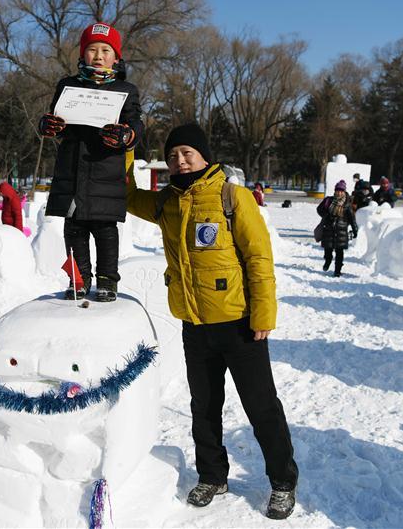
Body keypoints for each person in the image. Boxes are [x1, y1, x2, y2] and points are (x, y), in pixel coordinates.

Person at [125, 124, 298, 519]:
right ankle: (213, 475)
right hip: (195, 325)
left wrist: (264, 315)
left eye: (186, 153)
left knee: (261, 406)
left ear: (204, 156)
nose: (179, 161)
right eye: (172, 156)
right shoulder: (167, 202)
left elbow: (258, 259)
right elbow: (129, 196)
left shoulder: (231, 197)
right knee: (204, 406)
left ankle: (283, 481)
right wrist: (124, 148)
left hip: (239, 325)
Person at [38, 22, 144, 303]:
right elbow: (56, 118)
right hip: (72, 173)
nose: (98, 56)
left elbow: (136, 124)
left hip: (105, 175)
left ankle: (108, 281)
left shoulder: (126, 90)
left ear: (116, 57)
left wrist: (126, 135)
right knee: (73, 230)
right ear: (82, 54)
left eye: (105, 50)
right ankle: (78, 279)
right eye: (92, 49)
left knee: (106, 231)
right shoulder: (67, 86)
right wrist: (48, 125)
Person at [316, 180, 358, 277]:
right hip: (328, 229)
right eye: (337, 190)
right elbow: (319, 209)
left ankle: (337, 271)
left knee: (339, 253)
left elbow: (352, 219)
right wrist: (326, 215)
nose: (339, 192)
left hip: (341, 231)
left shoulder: (347, 204)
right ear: (335, 191)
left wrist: (355, 230)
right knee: (328, 250)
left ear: (344, 192)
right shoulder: (328, 200)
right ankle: (327, 261)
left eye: (341, 191)